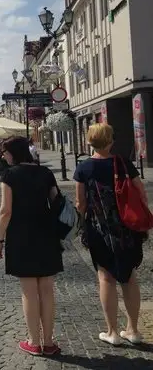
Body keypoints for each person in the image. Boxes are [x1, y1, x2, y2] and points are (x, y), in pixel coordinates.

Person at [74, 123, 147, 346]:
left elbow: (81, 203)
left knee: (106, 278)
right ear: (111, 140)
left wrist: (79, 226)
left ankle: (112, 332)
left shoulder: (84, 168)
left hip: (100, 230)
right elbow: (141, 193)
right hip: (127, 229)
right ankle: (133, 330)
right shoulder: (123, 163)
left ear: (89, 141)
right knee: (130, 276)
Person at [0, 136, 62, 356]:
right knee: (47, 290)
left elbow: (6, 211)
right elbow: (57, 202)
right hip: (47, 234)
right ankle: (49, 342)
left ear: (14, 153)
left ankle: (34, 342)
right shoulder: (45, 173)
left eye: (5, 151)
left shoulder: (10, 175)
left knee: (29, 292)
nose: (3, 155)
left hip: (21, 236)